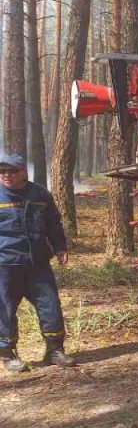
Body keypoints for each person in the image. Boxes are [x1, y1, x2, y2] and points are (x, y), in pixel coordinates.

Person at [0, 153, 75, 372]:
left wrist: (59, 246)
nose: (6, 175)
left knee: (50, 305)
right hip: (6, 264)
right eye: (2, 171)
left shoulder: (40, 194)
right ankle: (7, 355)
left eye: (12, 171)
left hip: (37, 264)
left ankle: (54, 351)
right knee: (4, 310)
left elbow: (53, 223)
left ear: (24, 171)